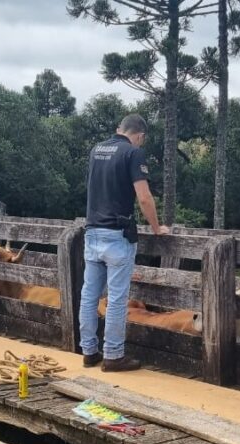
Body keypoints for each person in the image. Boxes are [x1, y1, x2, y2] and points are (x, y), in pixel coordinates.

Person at [79, 114, 170, 372]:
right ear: (139, 136)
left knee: (89, 296)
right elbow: (144, 197)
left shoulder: (97, 150)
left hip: (93, 230)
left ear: (119, 128)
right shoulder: (132, 153)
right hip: (117, 235)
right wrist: (156, 227)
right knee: (117, 298)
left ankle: (88, 351)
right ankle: (113, 355)